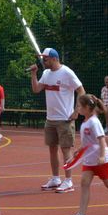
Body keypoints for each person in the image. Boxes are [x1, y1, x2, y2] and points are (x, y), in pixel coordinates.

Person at [29, 48, 85, 193]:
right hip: (50, 119)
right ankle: (55, 178)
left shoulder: (67, 72)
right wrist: (34, 74)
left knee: (66, 150)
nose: (43, 60)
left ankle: (68, 181)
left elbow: (81, 90)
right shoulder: (46, 73)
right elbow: (36, 89)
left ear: (54, 58)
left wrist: (77, 110)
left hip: (64, 119)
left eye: (45, 58)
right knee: (52, 149)